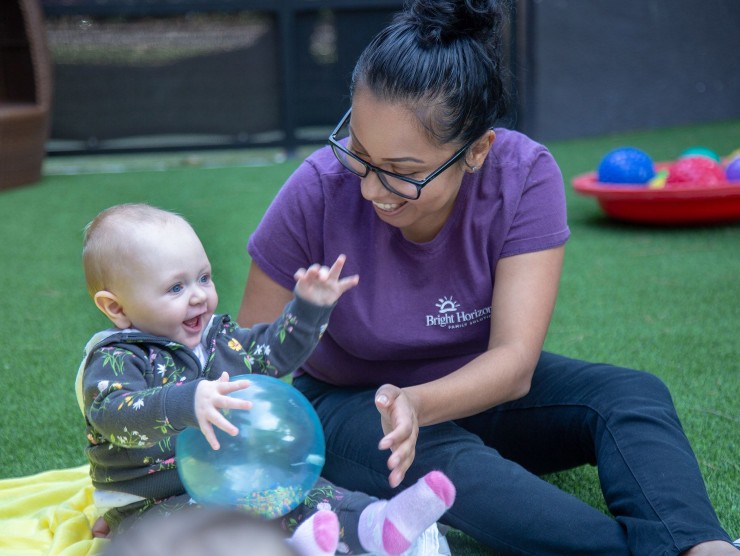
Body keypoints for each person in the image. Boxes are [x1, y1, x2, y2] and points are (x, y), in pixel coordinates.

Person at [237, 1, 738, 554]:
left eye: (402, 173)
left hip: (475, 386)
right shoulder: (316, 190)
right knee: (454, 467)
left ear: (477, 150)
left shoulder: (523, 176)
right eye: (357, 151)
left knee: (630, 394)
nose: (369, 189)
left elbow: (514, 364)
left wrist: (420, 402)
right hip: (350, 403)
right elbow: (248, 360)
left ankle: (702, 546)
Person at [78, 203, 456, 556]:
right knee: (210, 530)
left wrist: (309, 309)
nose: (198, 297)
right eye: (176, 287)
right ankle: (301, 545)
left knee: (301, 491)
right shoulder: (116, 359)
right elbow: (115, 418)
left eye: (203, 278)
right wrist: (187, 403)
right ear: (116, 307)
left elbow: (274, 353)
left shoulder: (217, 339)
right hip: (155, 504)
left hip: (231, 477)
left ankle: (376, 523)